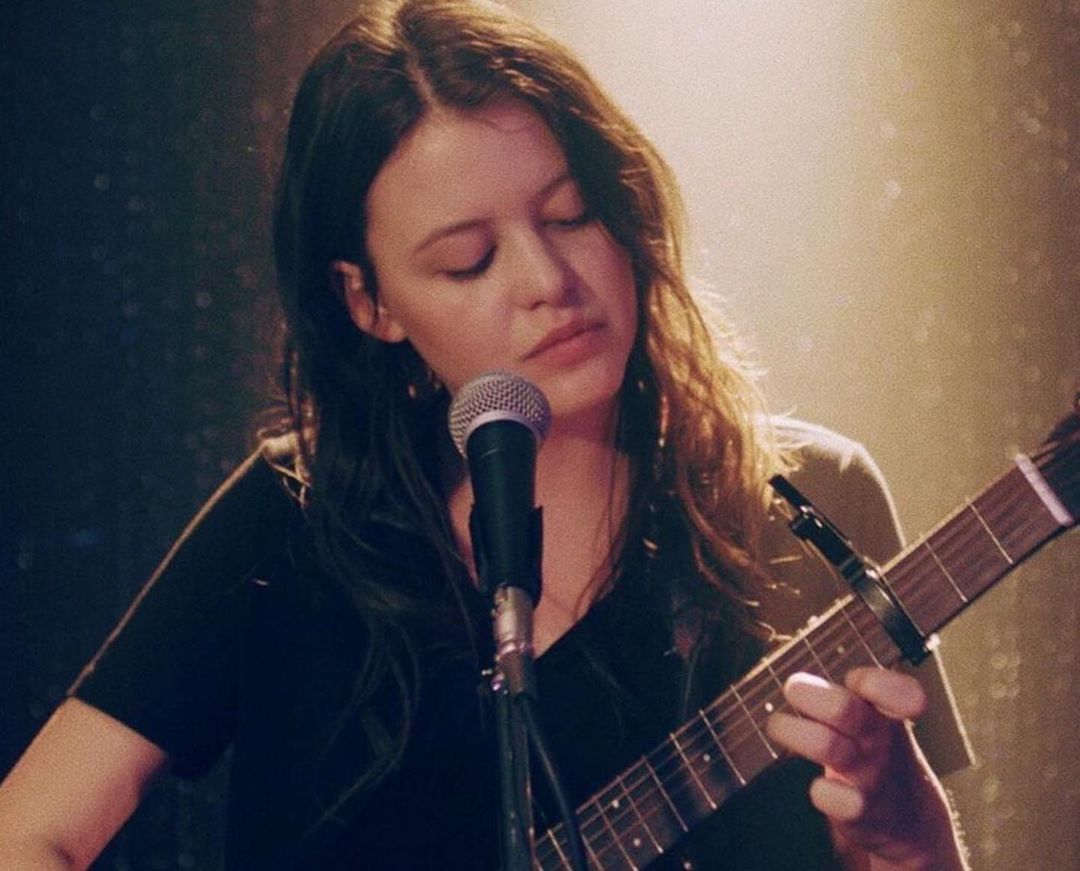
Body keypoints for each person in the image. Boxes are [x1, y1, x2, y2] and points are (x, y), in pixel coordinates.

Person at [0, 1, 971, 868]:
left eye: (571, 214)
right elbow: (28, 830)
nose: (547, 280)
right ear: (369, 302)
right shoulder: (296, 516)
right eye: (468, 260)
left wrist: (909, 838)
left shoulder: (804, 503)